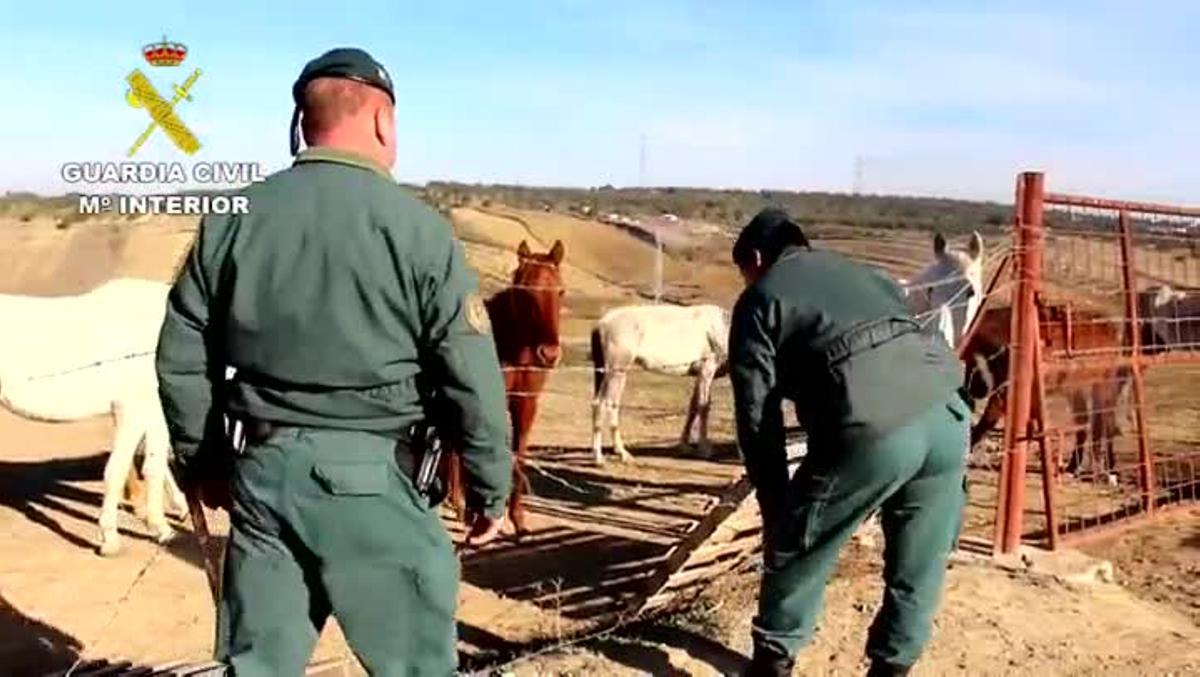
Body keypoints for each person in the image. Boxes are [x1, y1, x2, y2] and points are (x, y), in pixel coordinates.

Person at [156, 47, 513, 676]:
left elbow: (182, 354)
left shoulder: (231, 220)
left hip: (263, 478)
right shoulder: (419, 230)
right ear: (383, 123)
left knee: (258, 667)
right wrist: (489, 487)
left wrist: (205, 462)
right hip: (378, 484)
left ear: (301, 124)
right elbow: (473, 376)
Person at [727, 208, 969, 677]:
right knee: (920, 559)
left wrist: (777, 508)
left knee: (799, 544)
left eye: (744, 272)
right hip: (947, 415)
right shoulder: (868, 275)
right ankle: (892, 667)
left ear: (756, 258)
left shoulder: (761, 298)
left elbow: (757, 416)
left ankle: (773, 664)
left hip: (872, 425)